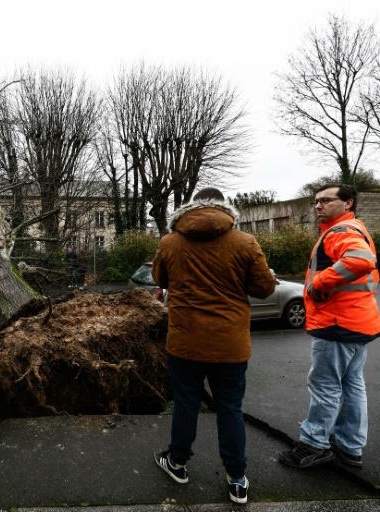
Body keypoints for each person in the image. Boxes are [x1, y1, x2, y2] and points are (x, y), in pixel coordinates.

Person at [151, 187, 276, 505]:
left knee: (186, 403)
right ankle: (237, 480)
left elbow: (161, 280)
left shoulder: (170, 242)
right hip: (229, 345)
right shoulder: (245, 242)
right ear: (226, 208)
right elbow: (263, 289)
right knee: (230, 408)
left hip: (185, 343)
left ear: (192, 207)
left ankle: (177, 463)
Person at [279, 184, 380, 469]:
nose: (318, 206)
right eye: (316, 201)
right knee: (352, 384)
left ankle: (314, 444)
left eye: (326, 200)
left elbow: (362, 260)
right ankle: (350, 446)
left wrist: (319, 283)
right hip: (357, 322)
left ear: (348, 203)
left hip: (337, 323)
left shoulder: (341, 231)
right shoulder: (354, 228)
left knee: (324, 385)